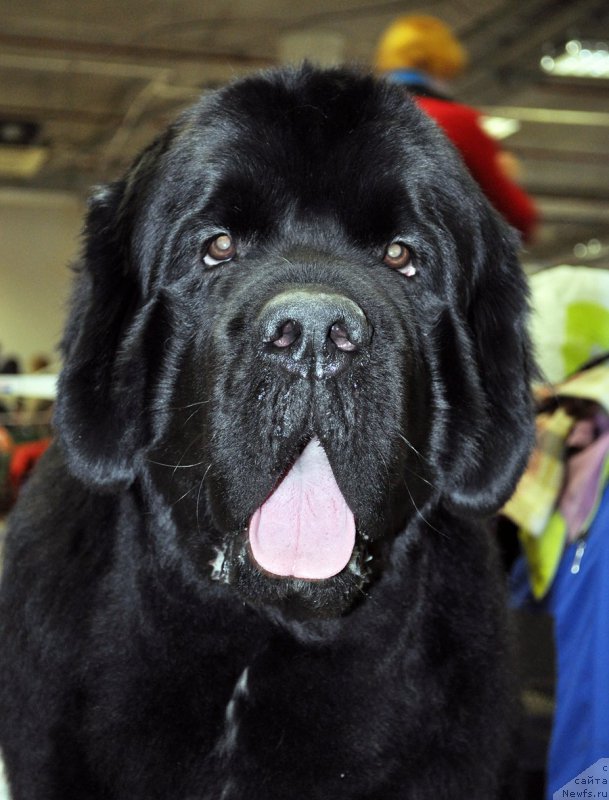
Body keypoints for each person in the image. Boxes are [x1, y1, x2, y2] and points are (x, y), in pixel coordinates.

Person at [375, 14, 538, 242]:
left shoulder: (354, 115)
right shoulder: (460, 122)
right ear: (445, 62)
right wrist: (509, 177)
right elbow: (519, 219)